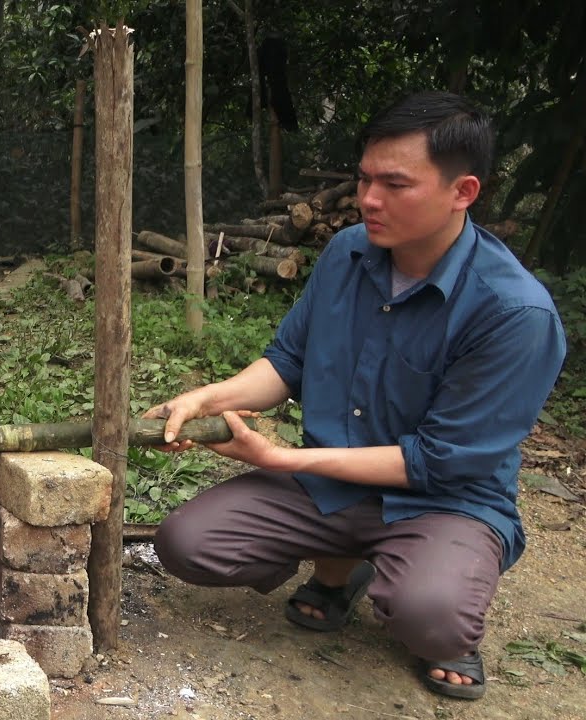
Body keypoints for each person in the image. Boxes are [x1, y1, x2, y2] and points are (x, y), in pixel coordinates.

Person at [143, 91, 566, 701]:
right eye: (365, 179)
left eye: (395, 184)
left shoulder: (514, 313)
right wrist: (208, 398)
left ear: (462, 192)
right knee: (187, 543)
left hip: (443, 501)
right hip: (331, 484)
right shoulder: (347, 254)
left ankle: (443, 607)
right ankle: (342, 571)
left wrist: (283, 460)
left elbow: (437, 462)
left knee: (431, 616)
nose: (369, 199)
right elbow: (287, 363)